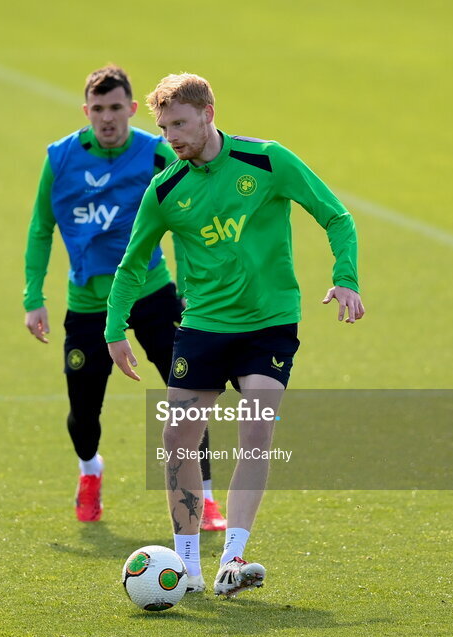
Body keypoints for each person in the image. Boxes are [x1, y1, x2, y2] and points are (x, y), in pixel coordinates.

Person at [105, 73, 364, 596]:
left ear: (208, 114)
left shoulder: (267, 160)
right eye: (163, 128)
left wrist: (345, 279)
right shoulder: (166, 189)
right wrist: (115, 329)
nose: (172, 137)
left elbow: (336, 216)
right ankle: (187, 569)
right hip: (202, 327)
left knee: (256, 429)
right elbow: (132, 266)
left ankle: (232, 558)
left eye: (180, 124)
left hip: (268, 325)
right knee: (177, 437)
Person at [23, 65, 223, 528]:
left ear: (133, 109)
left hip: (152, 295)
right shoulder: (60, 160)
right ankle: (90, 470)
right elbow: (40, 230)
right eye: (98, 109)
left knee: (189, 395)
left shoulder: (158, 154)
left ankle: (206, 497)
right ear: (86, 111)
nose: (107, 118)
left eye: (116, 108)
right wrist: (34, 296)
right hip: (89, 304)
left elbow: (191, 222)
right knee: (83, 412)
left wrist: (194, 290)